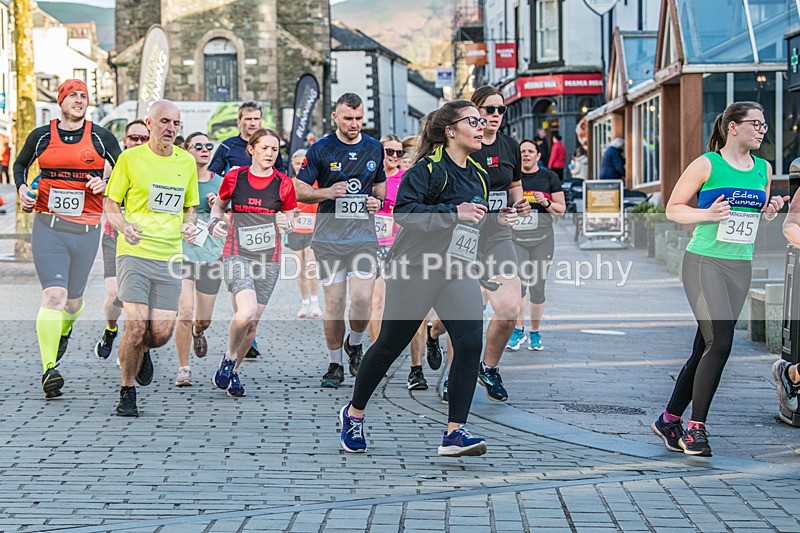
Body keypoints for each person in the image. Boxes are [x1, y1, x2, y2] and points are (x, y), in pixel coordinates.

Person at [339, 99, 490, 457]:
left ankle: (455, 432)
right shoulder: (427, 169)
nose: (482, 125)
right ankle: (354, 413)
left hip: (457, 269)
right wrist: (454, 212)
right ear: (451, 131)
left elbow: (475, 225)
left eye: (482, 119)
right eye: (474, 120)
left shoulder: (479, 174)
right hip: (416, 268)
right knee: (391, 344)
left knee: (470, 344)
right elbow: (405, 214)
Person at [651, 101, 787, 456]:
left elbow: (752, 219)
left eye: (764, 124)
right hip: (703, 263)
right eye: (755, 123)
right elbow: (673, 208)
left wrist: (769, 214)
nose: (762, 129)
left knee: (705, 348)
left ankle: (668, 419)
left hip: (740, 266)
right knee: (722, 343)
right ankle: (696, 429)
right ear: (732, 127)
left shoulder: (763, 169)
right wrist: (706, 213)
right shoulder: (707, 163)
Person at [14, 79, 121, 399]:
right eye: (72, 95)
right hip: (48, 226)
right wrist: (21, 189)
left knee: (73, 301)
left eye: (83, 96)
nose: (78, 100)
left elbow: (124, 170)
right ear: (60, 101)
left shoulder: (102, 137)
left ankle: (64, 329)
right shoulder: (42, 135)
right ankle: (49, 369)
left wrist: (108, 185)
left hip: (86, 230)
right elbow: (19, 164)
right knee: (54, 297)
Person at [105, 100, 199, 417]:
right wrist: (123, 226)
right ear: (149, 123)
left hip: (169, 254)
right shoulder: (130, 159)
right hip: (134, 253)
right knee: (134, 327)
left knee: (159, 333)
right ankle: (127, 391)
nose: (170, 128)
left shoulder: (186, 162)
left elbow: (190, 206)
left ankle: (142, 351)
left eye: (175, 123)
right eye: (164, 122)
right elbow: (111, 204)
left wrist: (190, 226)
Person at [294, 93, 386, 388]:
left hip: (363, 239)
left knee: (361, 300)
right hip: (330, 239)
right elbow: (299, 189)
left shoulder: (374, 148)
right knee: (334, 303)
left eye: (359, 119)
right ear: (336, 117)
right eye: (348, 118)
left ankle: (355, 344)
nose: (354, 124)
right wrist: (327, 193)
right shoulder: (321, 149)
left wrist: (376, 202)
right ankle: (335, 365)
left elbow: (380, 190)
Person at [209, 128, 297, 397]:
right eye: (265, 148)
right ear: (252, 149)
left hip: (268, 259)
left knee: (253, 322)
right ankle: (228, 358)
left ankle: (232, 372)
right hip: (236, 254)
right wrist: (214, 222)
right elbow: (219, 206)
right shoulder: (236, 177)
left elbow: (290, 219)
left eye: (275, 149)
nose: (270, 153)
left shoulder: (284, 183)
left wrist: (286, 222)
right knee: (245, 312)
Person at [208, 100, 284, 359]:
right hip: (235, 233)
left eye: (257, 119)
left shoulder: (275, 161)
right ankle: (240, 327)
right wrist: (216, 212)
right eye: (248, 119)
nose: (252, 123)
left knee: (251, 313)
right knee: (244, 305)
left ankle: (244, 336)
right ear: (240, 121)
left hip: (267, 249)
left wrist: (284, 218)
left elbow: (283, 195)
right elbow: (213, 178)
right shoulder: (229, 148)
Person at [470, 86, 530, 404]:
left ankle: (488, 368)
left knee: (508, 307)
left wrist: (518, 206)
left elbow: (515, 186)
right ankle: (432, 335)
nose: (495, 116)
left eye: (500, 110)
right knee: (454, 317)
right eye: (489, 109)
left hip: (498, 237)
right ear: (475, 111)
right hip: (464, 239)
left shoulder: (509, 146)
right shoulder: (463, 144)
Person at [173, 132, 226, 387]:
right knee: (184, 311)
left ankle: (198, 330)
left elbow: (232, 219)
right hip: (181, 253)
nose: (205, 149)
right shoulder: (177, 180)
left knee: (203, 318)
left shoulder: (222, 183)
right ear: (186, 149)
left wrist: (220, 208)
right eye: (198, 146)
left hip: (210, 255)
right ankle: (184, 368)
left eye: (209, 146)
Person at [95, 120, 150, 360]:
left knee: (138, 298)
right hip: (114, 236)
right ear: (124, 140)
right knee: (116, 294)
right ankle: (111, 329)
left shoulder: (156, 166)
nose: (138, 142)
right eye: (133, 138)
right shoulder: (111, 167)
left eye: (143, 138)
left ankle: (136, 346)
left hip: (145, 240)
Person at [506, 140, 565, 351]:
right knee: (520, 283)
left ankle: (535, 332)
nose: (526, 155)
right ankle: (518, 330)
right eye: (522, 152)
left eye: (531, 151)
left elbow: (562, 209)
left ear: (538, 156)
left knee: (537, 287)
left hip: (542, 239)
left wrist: (545, 202)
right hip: (517, 238)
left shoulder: (549, 177)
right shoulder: (512, 178)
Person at [287, 148, 322, 318]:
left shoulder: (314, 183)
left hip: (312, 230)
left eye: (303, 164)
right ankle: (304, 302)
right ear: (292, 165)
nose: (300, 166)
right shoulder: (288, 183)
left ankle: (315, 301)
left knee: (310, 267)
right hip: (295, 230)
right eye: (297, 163)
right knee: (299, 269)